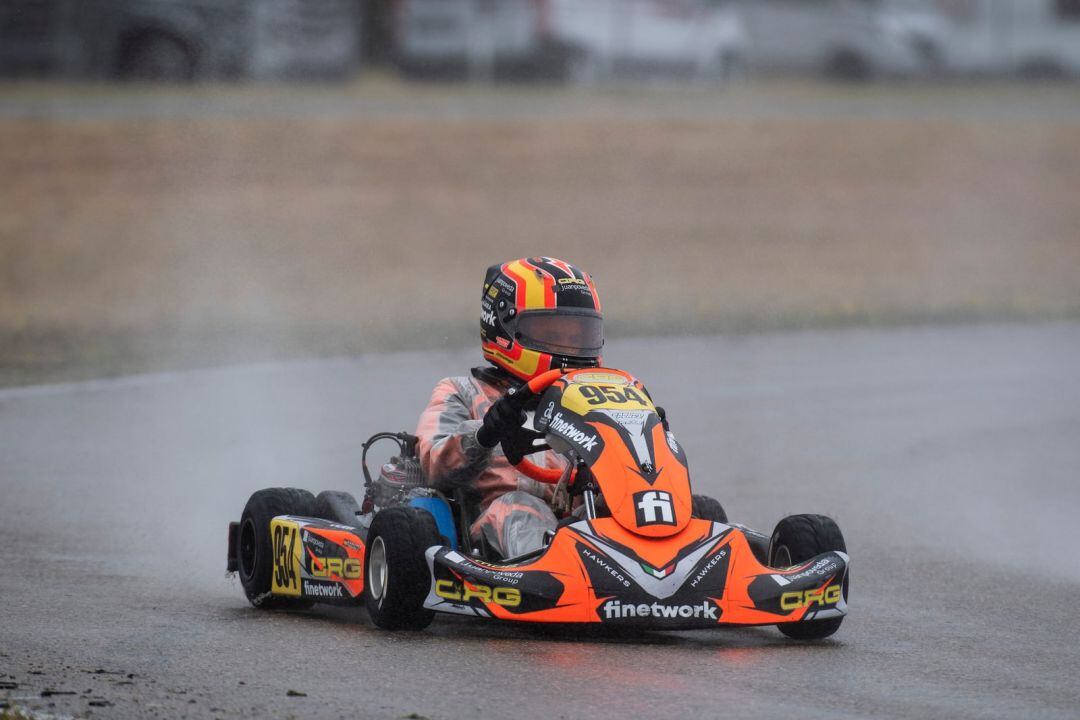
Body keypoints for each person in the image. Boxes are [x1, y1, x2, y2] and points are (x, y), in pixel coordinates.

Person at [415, 257, 604, 559]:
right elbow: (434, 464)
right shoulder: (461, 392)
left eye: (578, 337)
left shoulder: (594, 400)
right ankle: (551, 582)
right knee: (521, 508)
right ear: (504, 328)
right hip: (490, 529)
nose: (569, 349)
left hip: (576, 526)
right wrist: (486, 433)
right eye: (554, 335)